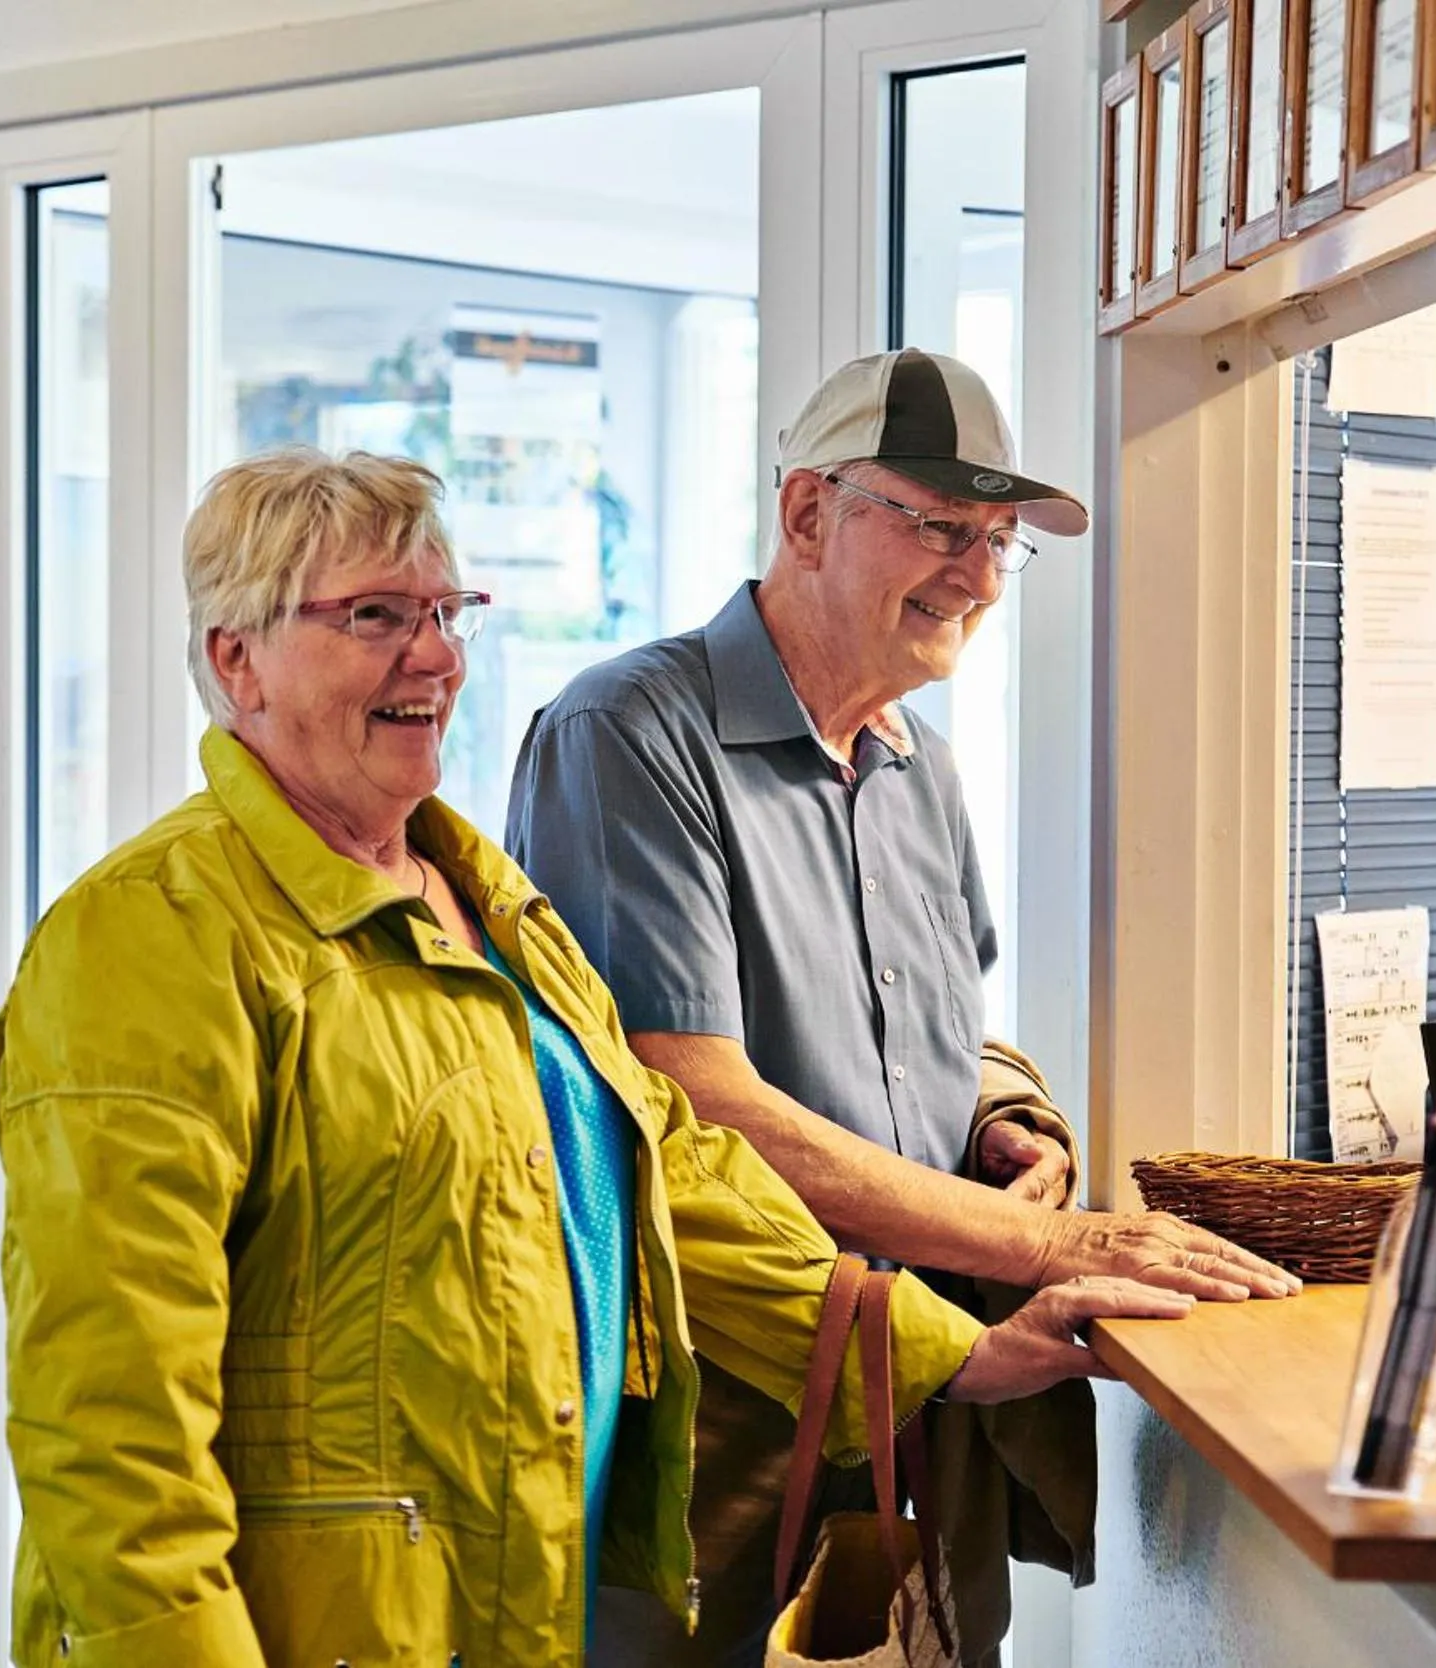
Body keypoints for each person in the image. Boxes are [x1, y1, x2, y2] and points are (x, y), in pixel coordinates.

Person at [0, 447, 1190, 1668]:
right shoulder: (154, 931)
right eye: (372, 616)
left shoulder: (482, 903)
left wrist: (956, 1357)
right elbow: (108, 1415)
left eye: (447, 613)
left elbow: (673, 1176)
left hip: (524, 1596)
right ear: (233, 657)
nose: (436, 656)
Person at [505, 348, 1300, 1664]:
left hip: (922, 1402)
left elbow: (937, 1021)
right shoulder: (627, 732)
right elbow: (695, 1107)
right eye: (938, 526)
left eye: (998, 542)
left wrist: (999, 1115)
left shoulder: (917, 761)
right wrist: (1052, 1244)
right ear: (807, 515)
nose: (980, 578)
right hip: (724, 1428)